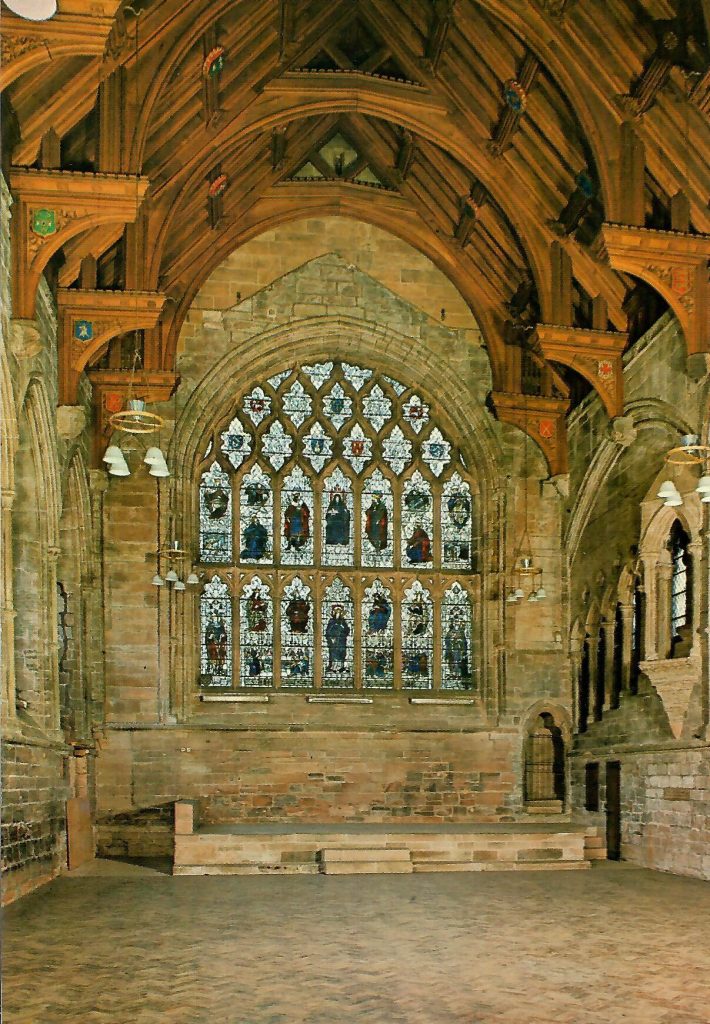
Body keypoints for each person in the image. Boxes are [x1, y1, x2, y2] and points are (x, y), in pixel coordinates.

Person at [445, 612, 470, 684]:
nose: (456, 623)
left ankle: (459, 674)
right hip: (452, 650)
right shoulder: (450, 632)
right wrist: (452, 640)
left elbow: (465, 642)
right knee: (453, 661)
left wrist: (460, 641)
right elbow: (447, 640)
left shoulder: (461, 632)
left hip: (459, 650)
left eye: (457, 622)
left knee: (459, 662)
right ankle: (452, 674)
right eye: (455, 622)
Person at [325, 605, 350, 672]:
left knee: (341, 653)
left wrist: (343, 628)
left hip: (341, 641)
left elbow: (347, 630)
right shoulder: (331, 621)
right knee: (334, 654)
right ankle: (333, 667)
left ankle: (341, 666)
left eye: (339, 612)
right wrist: (331, 637)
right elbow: (328, 631)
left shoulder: (343, 621)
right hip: (334, 641)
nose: (338, 614)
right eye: (336, 612)